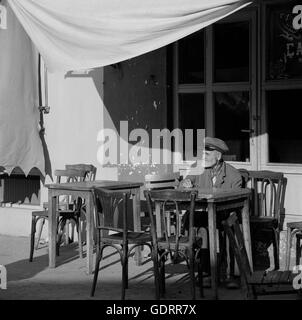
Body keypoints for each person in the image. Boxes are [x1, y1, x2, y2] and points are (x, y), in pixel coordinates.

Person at [180, 137, 243, 288]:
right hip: (202, 215)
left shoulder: (234, 175)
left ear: (218, 156)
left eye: (207, 154)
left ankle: (228, 274)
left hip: (224, 215)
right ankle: (207, 273)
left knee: (222, 227)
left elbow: (235, 202)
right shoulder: (198, 168)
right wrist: (185, 183)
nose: (203, 157)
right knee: (203, 228)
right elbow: (182, 184)